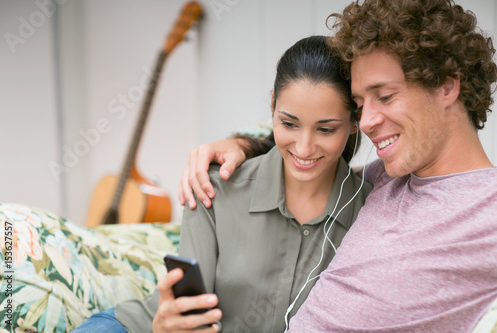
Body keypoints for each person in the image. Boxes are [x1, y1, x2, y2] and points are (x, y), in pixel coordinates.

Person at [179, 0, 497, 332]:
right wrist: (243, 145)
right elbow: (310, 160)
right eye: (359, 105)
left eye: (385, 96)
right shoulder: (383, 179)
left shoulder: (488, 208)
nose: (368, 121)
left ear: (446, 86)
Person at [72, 36, 372, 332]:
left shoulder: (372, 215)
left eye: (326, 129)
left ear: (354, 119)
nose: (304, 148)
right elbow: (186, 311)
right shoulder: (213, 185)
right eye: (289, 124)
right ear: (272, 106)